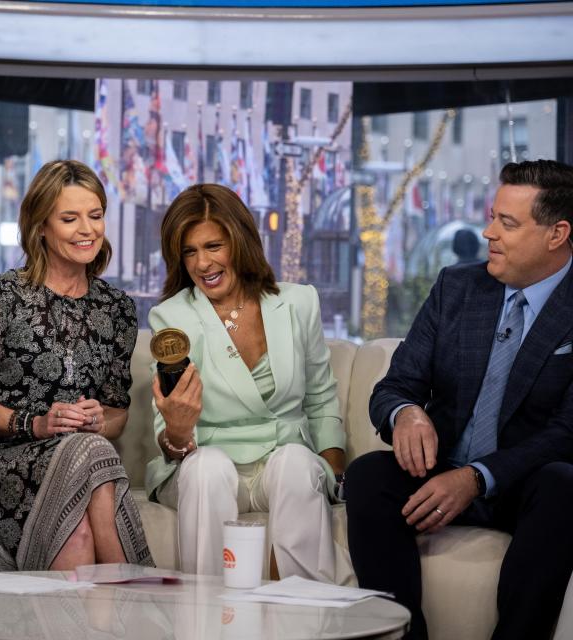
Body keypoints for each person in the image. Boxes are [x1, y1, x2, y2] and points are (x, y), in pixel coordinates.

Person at [346, 159, 573, 640]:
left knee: (565, 485)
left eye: (507, 223)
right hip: (442, 467)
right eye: (492, 215)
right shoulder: (458, 286)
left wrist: (477, 478)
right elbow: (395, 385)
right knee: (369, 476)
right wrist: (405, 414)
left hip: (526, 482)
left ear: (557, 234)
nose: (488, 232)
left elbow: (566, 433)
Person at [0, 160, 152, 571]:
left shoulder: (117, 309)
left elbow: (117, 415)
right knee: (91, 453)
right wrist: (36, 424)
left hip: (82, 458)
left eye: (95, 216)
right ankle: (137, 601)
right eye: (69, 218)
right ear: (41, 226)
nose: (87, 229)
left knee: (81, 509)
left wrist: (98, 421)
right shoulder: (1, 295)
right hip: (3, 458)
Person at [147, 183, 349, 582]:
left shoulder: (298, 303)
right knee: (207, 469)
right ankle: (206, 616)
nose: (203, 263)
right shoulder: (171, 319)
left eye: (213, 246)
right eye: (190, 251)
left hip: (282, 456)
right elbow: (170, 441)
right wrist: (177, 430)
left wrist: (331, 476)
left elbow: (321, 399)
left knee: (295, 464)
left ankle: (300, 613)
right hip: (208, 455)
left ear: (240, 241)